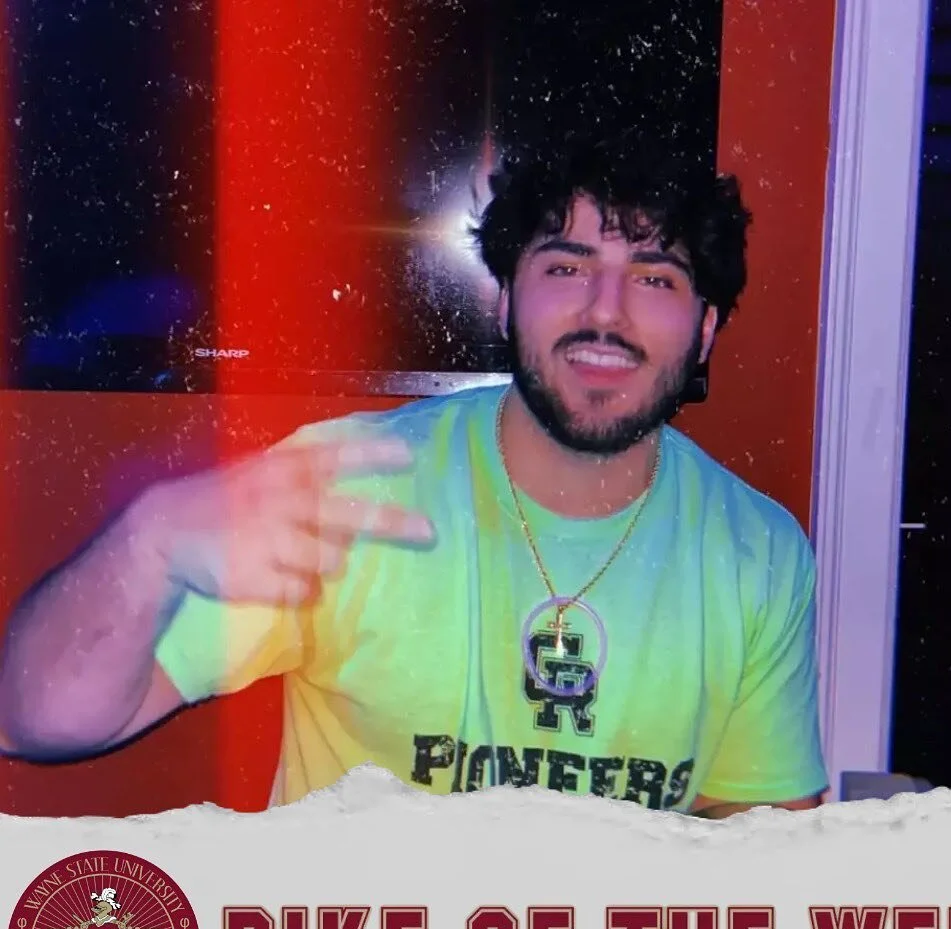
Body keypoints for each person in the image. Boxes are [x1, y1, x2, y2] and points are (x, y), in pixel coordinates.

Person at [0, 133, 829, 817]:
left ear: (706, 328)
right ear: (505, 300)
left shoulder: (757, 549)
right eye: (565, 267)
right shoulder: (351, 489)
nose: (605, 311)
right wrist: (147, 544)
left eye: (654, 278)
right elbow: (29, 720)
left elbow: (757, 828)